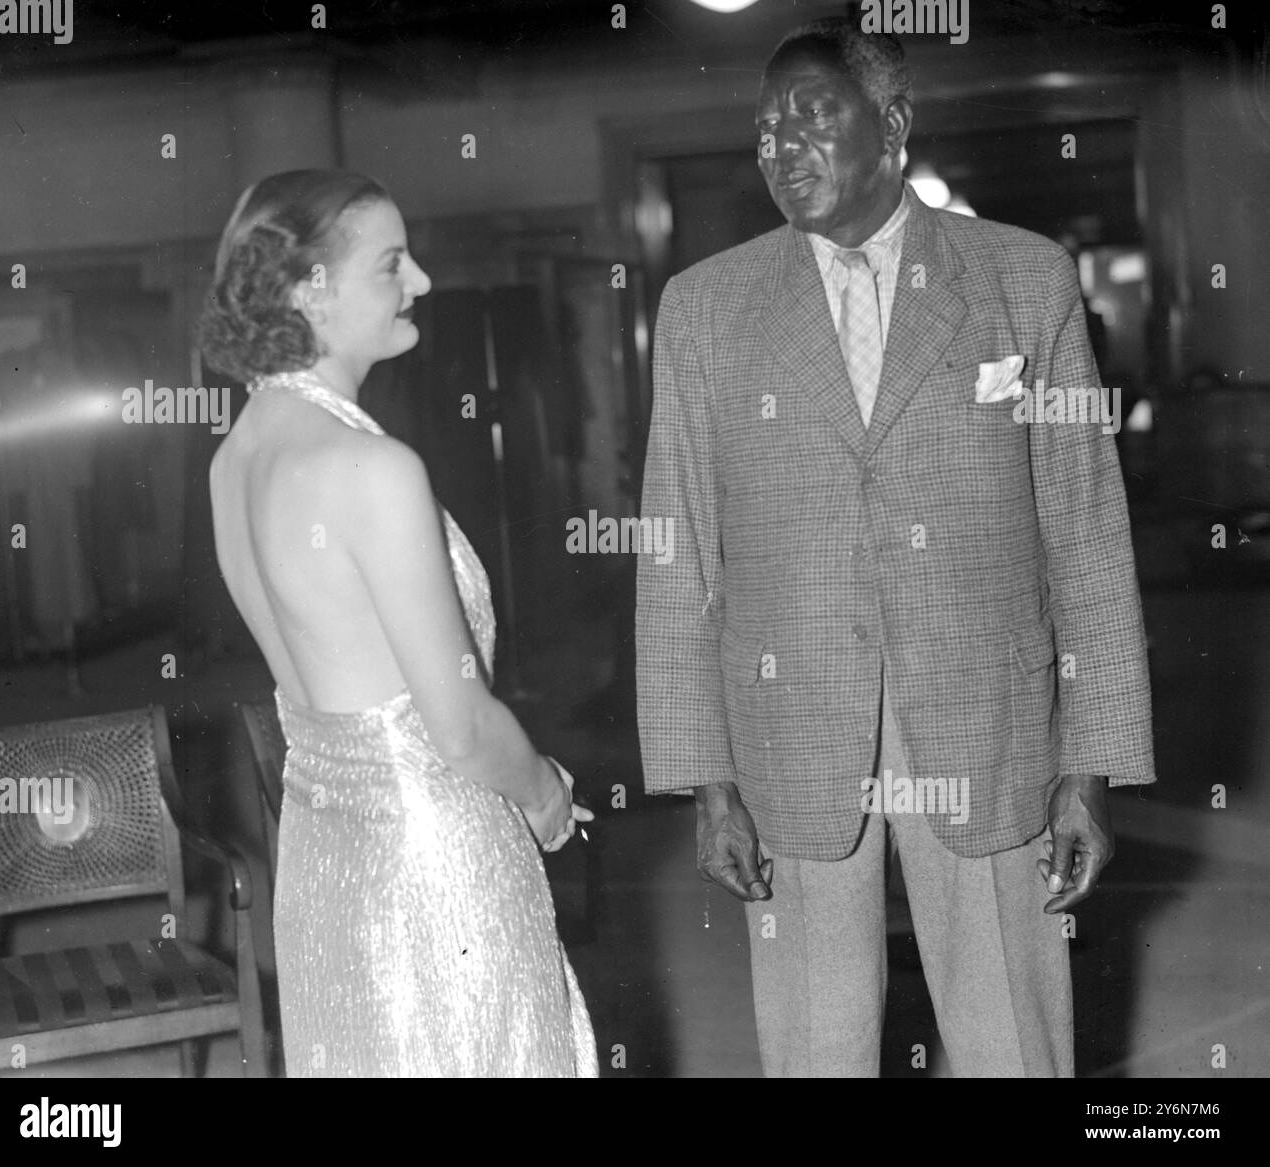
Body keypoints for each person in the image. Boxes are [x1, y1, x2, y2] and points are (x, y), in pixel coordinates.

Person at [636, 19, 1154, 1078]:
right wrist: (706, 779)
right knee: (814, 1052)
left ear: (894, 125)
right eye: (766, 127)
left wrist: (1091, 767)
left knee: (1014, 1041)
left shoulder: (1023, 279)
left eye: (814, 115)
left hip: (991, 725)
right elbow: (674, 553)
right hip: (790, 734)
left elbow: (1087, 533)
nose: (783, 144)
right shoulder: (704, 310)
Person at [202, 169, 597, 1077]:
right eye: (391, 263)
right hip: (432, 856)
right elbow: (459, 728)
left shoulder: (234, 461)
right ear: (313, 289)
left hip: (321, 851)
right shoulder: (373, 467)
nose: (420, 281)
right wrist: (542, 794)